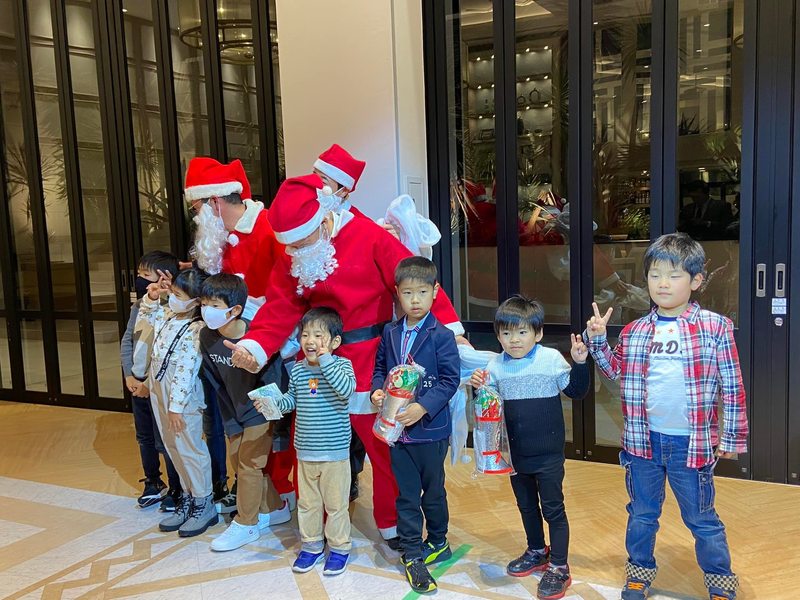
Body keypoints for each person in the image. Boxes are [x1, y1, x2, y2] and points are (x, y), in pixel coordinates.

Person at [224, 173, 464, 549]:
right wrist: (254, 346)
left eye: (301, 240)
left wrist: (449, 329)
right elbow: (281, 306)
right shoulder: (294, 255)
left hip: (372, 360)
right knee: (314, 449)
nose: (295, 250)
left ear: (322, 221)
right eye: (290, 244)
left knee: (384, 448)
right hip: (318, 363)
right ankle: (318, 526)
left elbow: (414, 282)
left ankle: (391, 523)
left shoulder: (369, 236)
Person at [585, 233, 748, 600]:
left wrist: (732, 437)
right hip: (643, 444)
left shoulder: (715, 327)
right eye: (655, 275)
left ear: (696, 280)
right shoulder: (636, 330)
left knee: (701, 519)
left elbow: (732, 385)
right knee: (642, 515)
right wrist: (597, 340)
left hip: (692, 445)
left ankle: (720, 579)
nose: (662, 283)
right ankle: (639, 573)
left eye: (674, 275)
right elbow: (615, 371)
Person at [184, 156, 296, 512]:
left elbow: (291, 291)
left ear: (215, 201)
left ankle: (279, 495)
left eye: (197, 207)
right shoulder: (218, 239)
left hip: (276, 346)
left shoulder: (268, 228)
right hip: (235, 349)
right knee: (243, 419)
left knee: (274, 422)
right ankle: (259, 499)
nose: (196, 216)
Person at [470, 296, 589, 600]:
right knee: (526, 506)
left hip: (548, 455)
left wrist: (579, 363)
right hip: (515, 455)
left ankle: (559, 566)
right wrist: (478, 388)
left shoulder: (550, 359)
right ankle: (537, 550)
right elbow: (488, 409)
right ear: (498, 337)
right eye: (506, 333)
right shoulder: (495, 365)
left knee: (553, 509)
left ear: (538, 333)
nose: (514, 340)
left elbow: (577, 391)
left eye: (522, 332)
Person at [371, 257, 460, 593]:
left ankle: (438, 541)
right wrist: (377, 390)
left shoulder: (442, 335)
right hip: (397, 431)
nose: (415, 300)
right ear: (397, 293)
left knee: (434, 492)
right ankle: (412, 554)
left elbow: (450, 380)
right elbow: (381, 368)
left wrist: (422, 407)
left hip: (431, 431)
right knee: (406, 495)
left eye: (422, 292)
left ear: (435, 292)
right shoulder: (390, 331)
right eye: (408, 293)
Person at [254, 307, 356, 576]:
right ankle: (311, 546)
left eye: (318, 336)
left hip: (334, 453)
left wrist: (326, 361)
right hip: (306, 452)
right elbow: (292, 400)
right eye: (305, 335)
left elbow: (346, 391)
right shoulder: (299, 370)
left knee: (336, 505)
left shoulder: (342, 366)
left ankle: (339, 548)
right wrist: (272, 403)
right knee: (308, 504)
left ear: (335, 342)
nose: (310, 341)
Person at [198, 274, 291, 552]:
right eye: (204, 303)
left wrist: (272, 417)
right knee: (239, 460)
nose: (207, 310)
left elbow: (275, 379)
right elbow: (216, 381)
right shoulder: (207, 336)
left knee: (250, 463)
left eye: (214, 305)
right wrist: (229, 418)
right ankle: (276, 507)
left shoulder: (257, 336)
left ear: (235, 309)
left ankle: (246, 523)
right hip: (233, 409)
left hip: (261, 409)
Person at [137, 267, 219, 537]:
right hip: (160, 388)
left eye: (179, 295)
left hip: (182, 398)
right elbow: (146, 321)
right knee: (172, 447)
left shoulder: (196, 328)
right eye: (172, 292)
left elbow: (186, 369)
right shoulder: (168, 315)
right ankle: (187, 496)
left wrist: (176, 407)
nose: (172, 298)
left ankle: (204, 502)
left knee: (190, 449)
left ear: (195, 302)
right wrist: (152, 297)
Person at [120, 250, 182, 511]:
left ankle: (177, 487)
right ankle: (153, 481)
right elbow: (128, 340)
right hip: (137, 380)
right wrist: (129, 374)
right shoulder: (138, 306)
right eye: (139, 274)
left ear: (165, 277)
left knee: (164, 439)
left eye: (146, 274)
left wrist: (149, 383)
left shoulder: (174, 309)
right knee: (144, 436)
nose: (140, 279)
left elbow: (165, 351)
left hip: (158, 385)